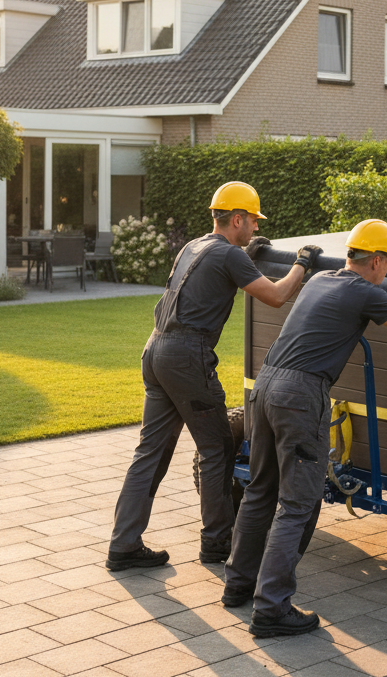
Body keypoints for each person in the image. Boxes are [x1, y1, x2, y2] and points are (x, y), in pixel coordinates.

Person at [223, 219, 387, 637]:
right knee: (298, 503)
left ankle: (238, 585)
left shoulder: (318, 281)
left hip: (264, 386)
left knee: (260, 490)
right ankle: (271, 608)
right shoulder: (364, 291)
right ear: (378, 260)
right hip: (299, 395)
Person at [106, 182, 313, 572]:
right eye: (252, 220)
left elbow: (214, 273)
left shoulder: (194, 247)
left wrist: (248, 252)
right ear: (236, 218)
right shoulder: (230, 257)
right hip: (187, 357)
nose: (255, 227)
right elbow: (275, 296)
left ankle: (124, 545)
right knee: (217, 446)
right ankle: (217, 543)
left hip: (155, 350)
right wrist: (302, 262)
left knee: (150, 451)